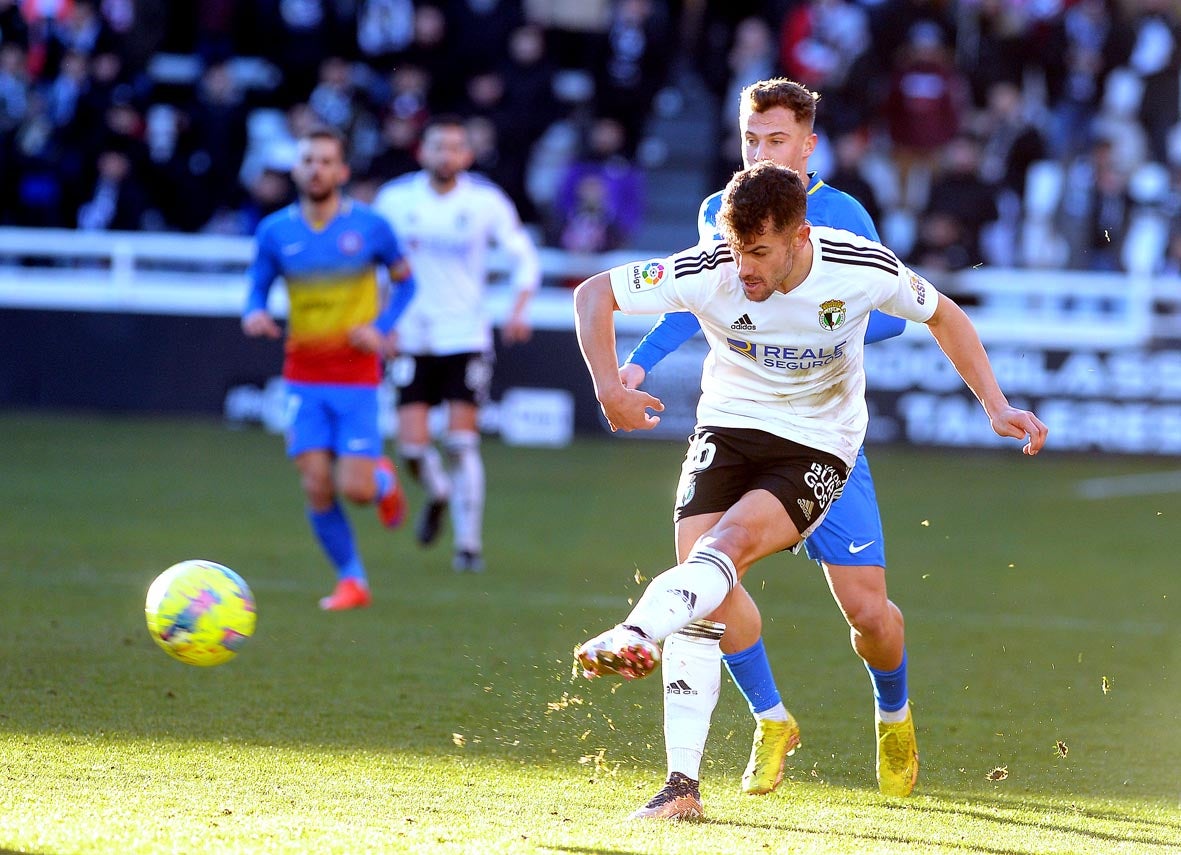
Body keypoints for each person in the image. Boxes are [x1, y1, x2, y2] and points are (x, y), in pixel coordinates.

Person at [573, 162, 1047, 819]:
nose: (744, 270)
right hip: (729, 428)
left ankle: (636, 631)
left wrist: (994, 406)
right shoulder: (712, 264)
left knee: (736, 551)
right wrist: (608, 386)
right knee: (703, 583)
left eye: (759, 253)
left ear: (799, 236)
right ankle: (682, 787)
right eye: (737, 251)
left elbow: (945, 315)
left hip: (816, 441)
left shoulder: (859, 267)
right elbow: (593, 293)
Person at [617, 77, 908, 818]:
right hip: (744, 429)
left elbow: (896, 315)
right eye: (749, 138)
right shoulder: (724, 210)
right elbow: (695, 298)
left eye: (774, 139)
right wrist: (638, 363)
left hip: (822, 438)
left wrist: (810, 332)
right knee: (705, 575)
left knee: (867, 614)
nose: (759, 151)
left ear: (807, 144)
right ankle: (771, 717)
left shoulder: (839, 215)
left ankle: (893, 713)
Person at [242, 127, 417, 611]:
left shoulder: (372, 227)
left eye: (326, 161)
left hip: (357, 377)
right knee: (317, 482)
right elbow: (257, 285)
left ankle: (382, 481)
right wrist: (254, 311)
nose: (316, 169)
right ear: (297, 169)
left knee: (354, 489)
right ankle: (352, 581)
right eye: (308, 160)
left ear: (341, 171)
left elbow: (406, 284)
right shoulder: (275, 230)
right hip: (302, 375)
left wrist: (381, 327)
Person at [372, 115, 540, 573]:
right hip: (410, 335)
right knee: (410, 448)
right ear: (421, 152)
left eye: (453, 148)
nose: (445, 155)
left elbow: (522, 254)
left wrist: (519, 307)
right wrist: (382, 322)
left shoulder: (485, 201)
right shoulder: (395, 199)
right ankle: (439, 492)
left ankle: (468, 545)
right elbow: (377, 265)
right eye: (436, 146)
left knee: (462, 442)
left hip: (464, 335)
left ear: (466, 155)